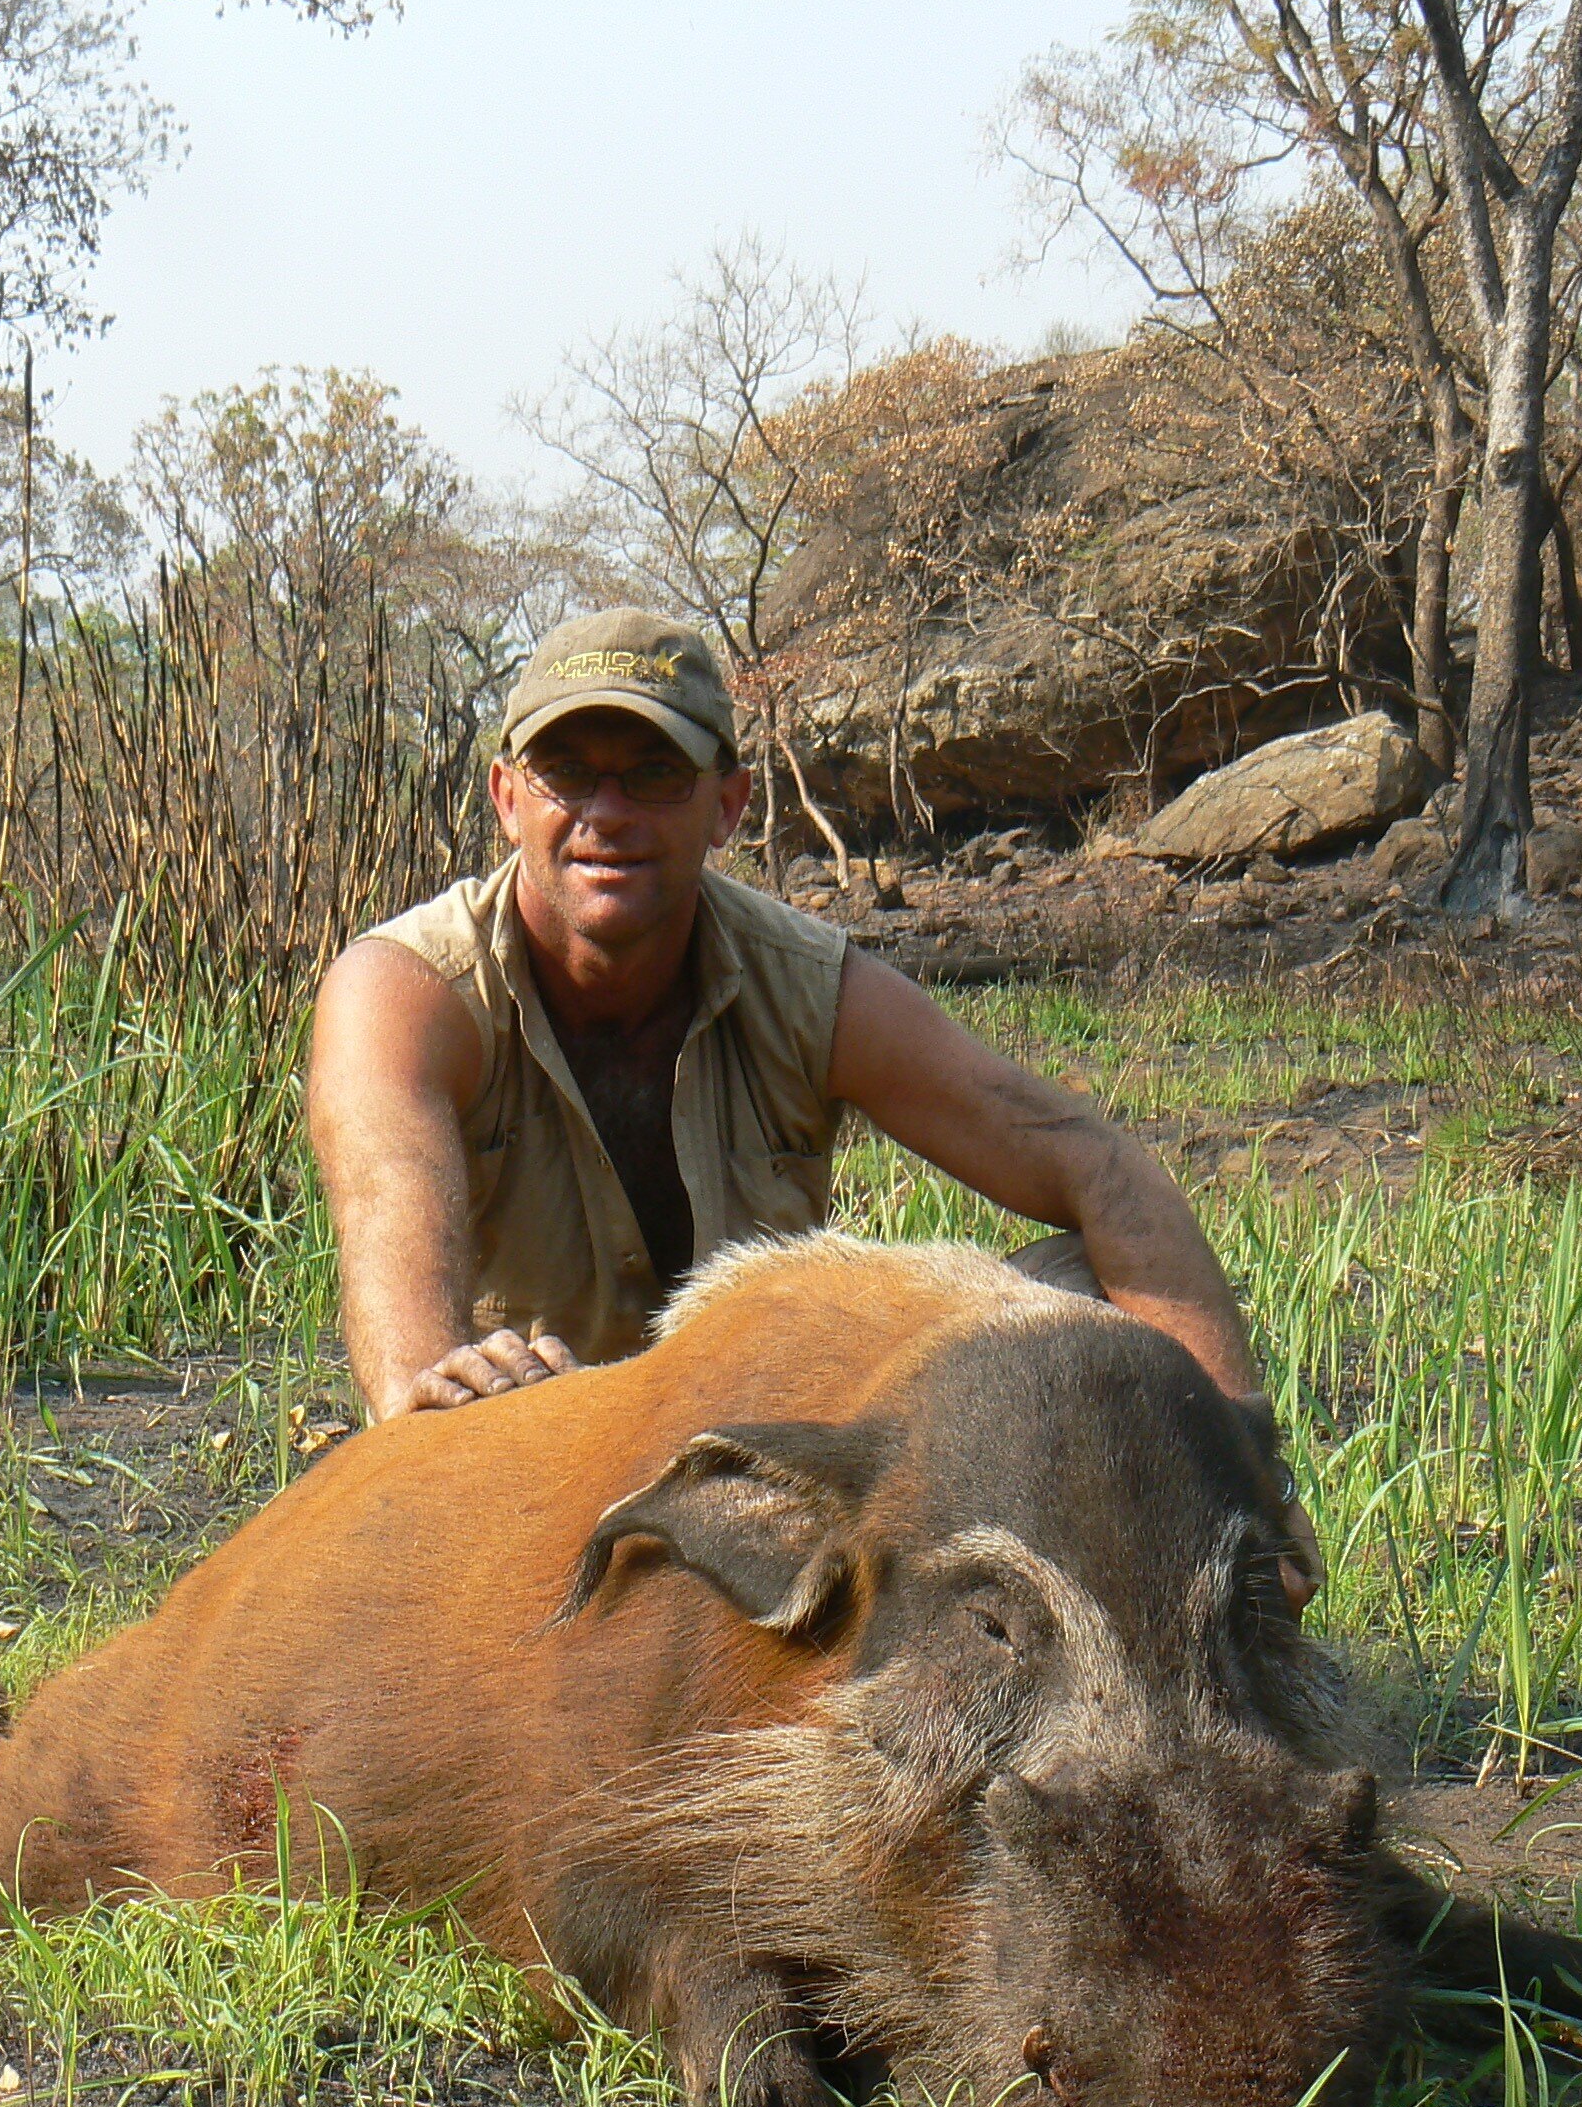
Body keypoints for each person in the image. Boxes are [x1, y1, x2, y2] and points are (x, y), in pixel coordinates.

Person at [307, 608, 1321, 1602]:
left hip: (774, 1480)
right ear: (506, 796)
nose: (606, 812)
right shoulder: (405, 990)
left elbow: (1097, 1169)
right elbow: (390, 1196)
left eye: (656, 773)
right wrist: (422, 1393)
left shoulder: (812, 986)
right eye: (567, 772)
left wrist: (1246, 1478)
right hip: (524, 1465)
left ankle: (1179, 1609)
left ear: (729, 804)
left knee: (1076, 1298)